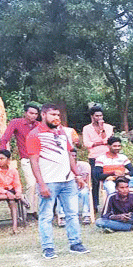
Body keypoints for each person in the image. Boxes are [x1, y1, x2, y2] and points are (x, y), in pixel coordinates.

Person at [28, 104, 88, 258]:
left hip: (67, 181)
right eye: (52, 114)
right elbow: (34, 162)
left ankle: (75, 243)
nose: (56, 118)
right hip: (49, 182)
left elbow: (69, 156)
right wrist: (41, 185)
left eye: (58, 115)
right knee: (46, 216)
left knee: (72, 214)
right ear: (43, 115)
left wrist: (77, 175)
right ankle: (48, 248)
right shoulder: (34, 135)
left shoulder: (62, 132)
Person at [0, 103, 40, 218]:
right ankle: (30, 211)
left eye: (36, 114)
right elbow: (5, 138)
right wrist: (3, 155)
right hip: (26, 159)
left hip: (41, 159)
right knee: (31, 184)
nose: (34, 116)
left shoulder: (39, 125)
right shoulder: (16, 123)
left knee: (40, 184)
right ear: (25, 113)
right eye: (31, 113)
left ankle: (39, 210)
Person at [82, 106, 114, 212]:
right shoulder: (86, 128)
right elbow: (87, 144)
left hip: (107, 156)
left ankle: (111, 204)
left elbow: (108, 140)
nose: (99, 118)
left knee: (109, 179)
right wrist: (101, 142)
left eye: (101, 115)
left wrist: (102, 129)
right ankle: (94, 205)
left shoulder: (108, 127)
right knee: (94, 181)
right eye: (96, 116)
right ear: (92, 116)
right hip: (94, 157)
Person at [0, 149, 24, 233]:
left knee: (12, 201)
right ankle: (19, 198)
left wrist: (18, 192)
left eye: (2, 159)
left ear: (8, 160)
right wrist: (6, 193)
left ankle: (14, 227)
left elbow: (17, 184)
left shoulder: (13, 171)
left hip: (10, 191)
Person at [56, 149, 93, 226]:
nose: (73, 157)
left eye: (75, 156)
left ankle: (86, 215)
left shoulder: (83, 165)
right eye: (71, 156)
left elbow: (85, 180)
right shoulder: (61, 167)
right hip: (67, 188)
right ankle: (62, 217)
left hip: (80, 187)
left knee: (85, 192)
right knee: (60, 193)